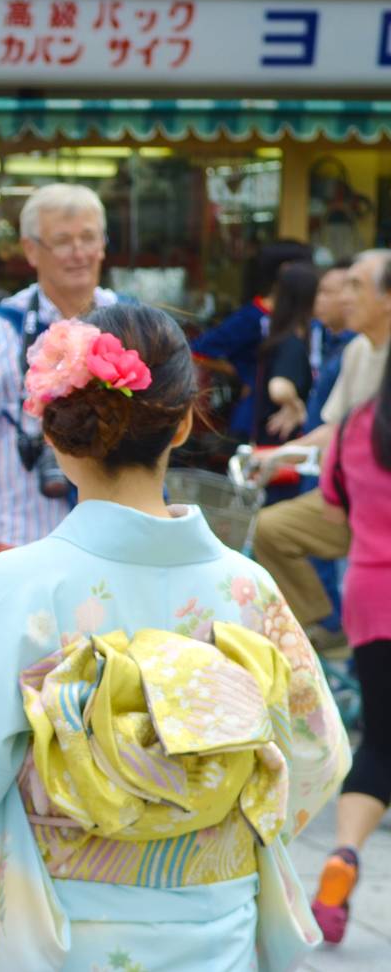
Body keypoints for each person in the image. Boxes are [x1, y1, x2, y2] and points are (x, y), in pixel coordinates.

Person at [0, 303, 348, 970]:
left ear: (55, 430)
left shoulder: (10, 589)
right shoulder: (248, 589)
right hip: (219, 925)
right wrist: (206, 815)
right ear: (187, 421)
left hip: (54, 925)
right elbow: (317, 757)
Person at [0, 183, 120, 593]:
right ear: (31, 250)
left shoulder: (130, 322)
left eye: (89, 237)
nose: (79, 252)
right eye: (62, 241)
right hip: (17, 544)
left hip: (110, 547)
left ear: (104, 245)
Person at [253, 249, 391, 633]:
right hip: (348, 499)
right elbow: (335, 428)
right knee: (270, 529)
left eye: (355, 287)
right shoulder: (358, 351)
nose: (345, 297)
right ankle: (325, 627)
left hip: (376, 505)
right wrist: (277, 456)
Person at [312, 345, 391, 942]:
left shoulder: (357, 426)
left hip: (373, 594)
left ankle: (343, 854)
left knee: (381, 745)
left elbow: (334, 499)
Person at [191, 239, 314, 442]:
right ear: (287, 271)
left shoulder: (309, 320)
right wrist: (240, 373)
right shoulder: (252, 317)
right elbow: (196, 350)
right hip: (257, 420)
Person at [252, 261, 319, 448]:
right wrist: (298, 408)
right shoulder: (291, 344)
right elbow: (279, 388)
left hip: (268, 444)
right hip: (278, 449)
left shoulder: (279, 338)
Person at [306, 261, 356, 433]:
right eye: (319, 291)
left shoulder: (358, 348)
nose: (318, 299)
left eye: (326, 292)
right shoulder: (325, 338)